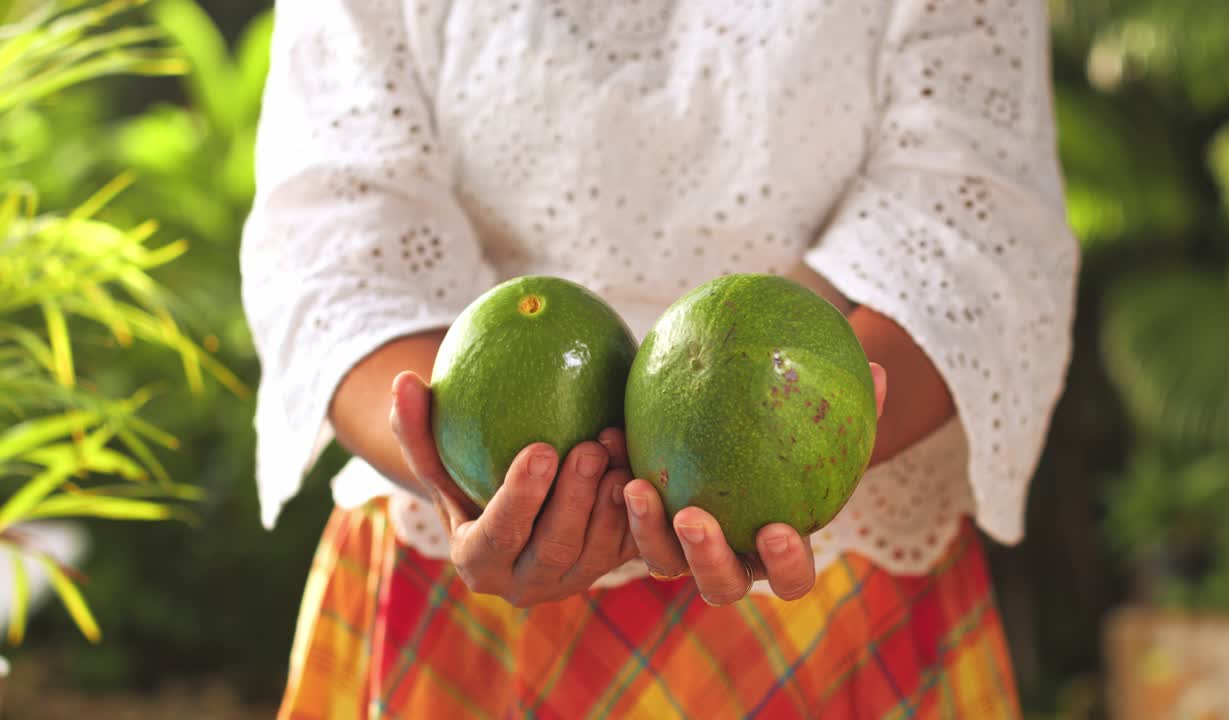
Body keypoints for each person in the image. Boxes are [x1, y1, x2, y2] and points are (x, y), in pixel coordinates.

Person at [241, 0, 1078, 717]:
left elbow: (976, 228)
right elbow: (335, 249)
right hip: (460, 596)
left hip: (845, 592)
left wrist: (793, 451)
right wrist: (465, 470)